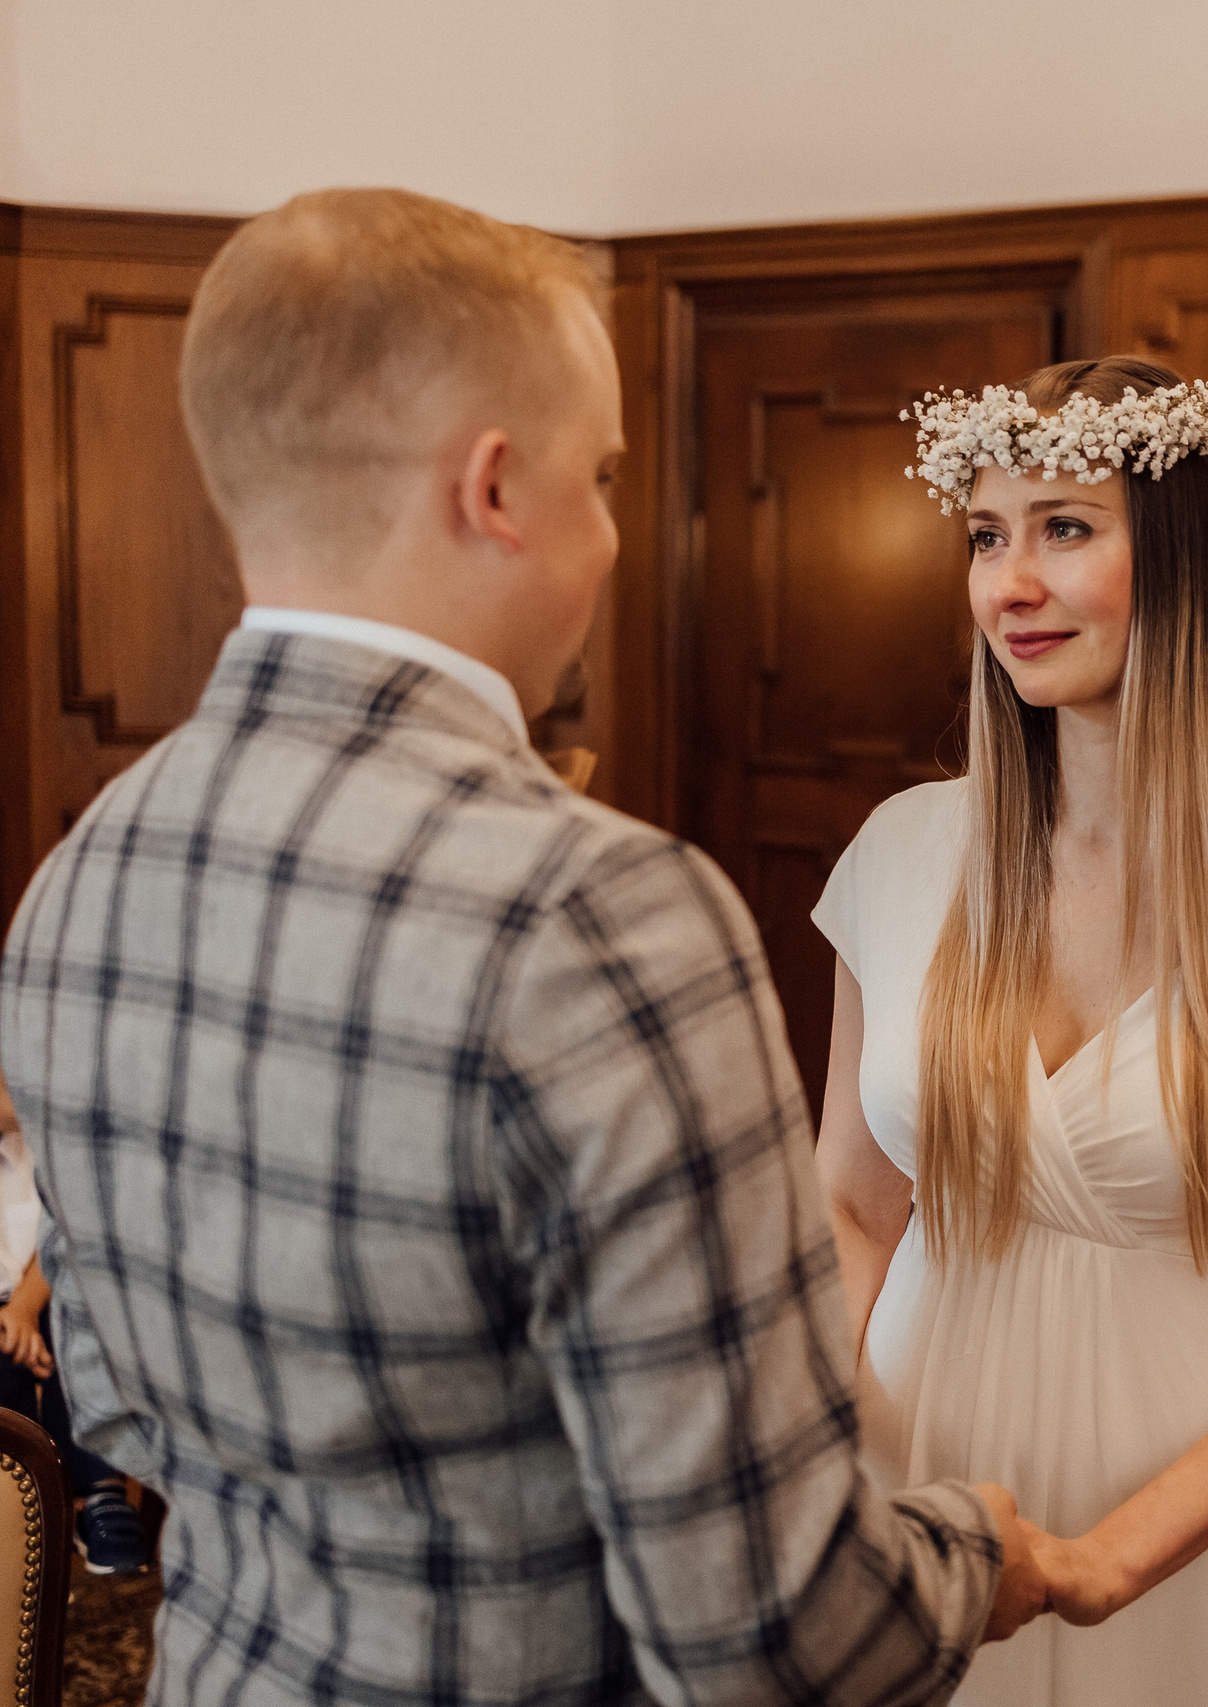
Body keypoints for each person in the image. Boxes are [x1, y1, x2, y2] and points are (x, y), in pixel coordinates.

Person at [0, 188, 1043, 1706]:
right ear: (496, 488)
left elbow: (126, 1405)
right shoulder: (601, 912)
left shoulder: (80, 878)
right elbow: (763, 1629)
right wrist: (975, 1554)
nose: (614, 533)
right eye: (603, 477)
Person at [815, 357, 1208, 1705]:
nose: (1010, 583)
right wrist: (848, 1462)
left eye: (1065, 527)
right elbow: (856, 1206)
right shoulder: (901, 853)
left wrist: (1109, 1557)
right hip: (915, 1477)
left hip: (1186, 1501)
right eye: (988, 535)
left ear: (1203, 549)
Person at [0, 1068, 147, 1574]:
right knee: (7, 1370)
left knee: (83, 1336)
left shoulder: (50, 1152)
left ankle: (101, 1491)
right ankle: (21, 1516)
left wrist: (25, 1308)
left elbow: (64, 1229)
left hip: (51, 1289)